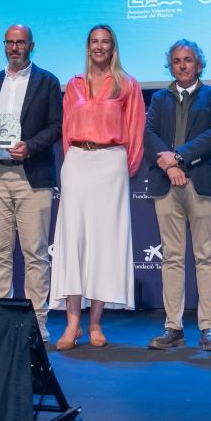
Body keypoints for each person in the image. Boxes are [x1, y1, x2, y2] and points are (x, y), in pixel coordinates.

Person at [50, 25, 146, 350]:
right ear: (88, 46)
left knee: (104, 243)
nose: (99, 47)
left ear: (113, 48)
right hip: (77, 162)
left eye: (105, 42)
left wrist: (122, 170)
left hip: (111, 164)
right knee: (73, 240)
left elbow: (135, 132)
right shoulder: (74, 85)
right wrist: (72, 163)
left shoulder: (127, 85)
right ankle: (72, 323)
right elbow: (66, 130)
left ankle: (94, 323)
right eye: (94, 41)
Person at [0, 24, 62, 343]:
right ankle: (2, 321)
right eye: (10, 42)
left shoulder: (48, 81)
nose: (14, 47)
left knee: (35, 253)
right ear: (4, 45)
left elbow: (56, 126)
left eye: (21, 42)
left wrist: (30, 146)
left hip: (32, 175)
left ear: (31, 46)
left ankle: (37, 322)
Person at [144, 39, 211, 352]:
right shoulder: (159, 98)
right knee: (171, 257)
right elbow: (149, 134)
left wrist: (178, 157)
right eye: (177, 61)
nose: (182, 65)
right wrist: (170, 167)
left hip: (202, 182)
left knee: (206, 256)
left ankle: (209, 329)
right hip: (167, 183)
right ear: (170, 66)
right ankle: (173, 328)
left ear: (199, 65)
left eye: (188, 60)